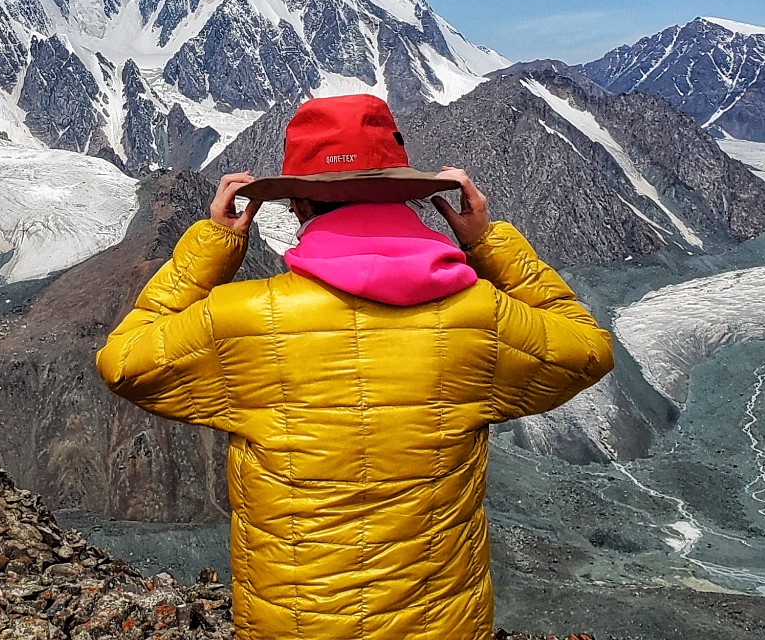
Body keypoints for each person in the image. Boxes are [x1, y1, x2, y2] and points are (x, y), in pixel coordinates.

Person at [95, 94, 614, 639]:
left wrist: (213, 247)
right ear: (405, 197)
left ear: (296, 206)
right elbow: (587, 347)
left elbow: (124, 362)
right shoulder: (480, 317)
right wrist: (488, 243)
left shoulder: (240, 319)